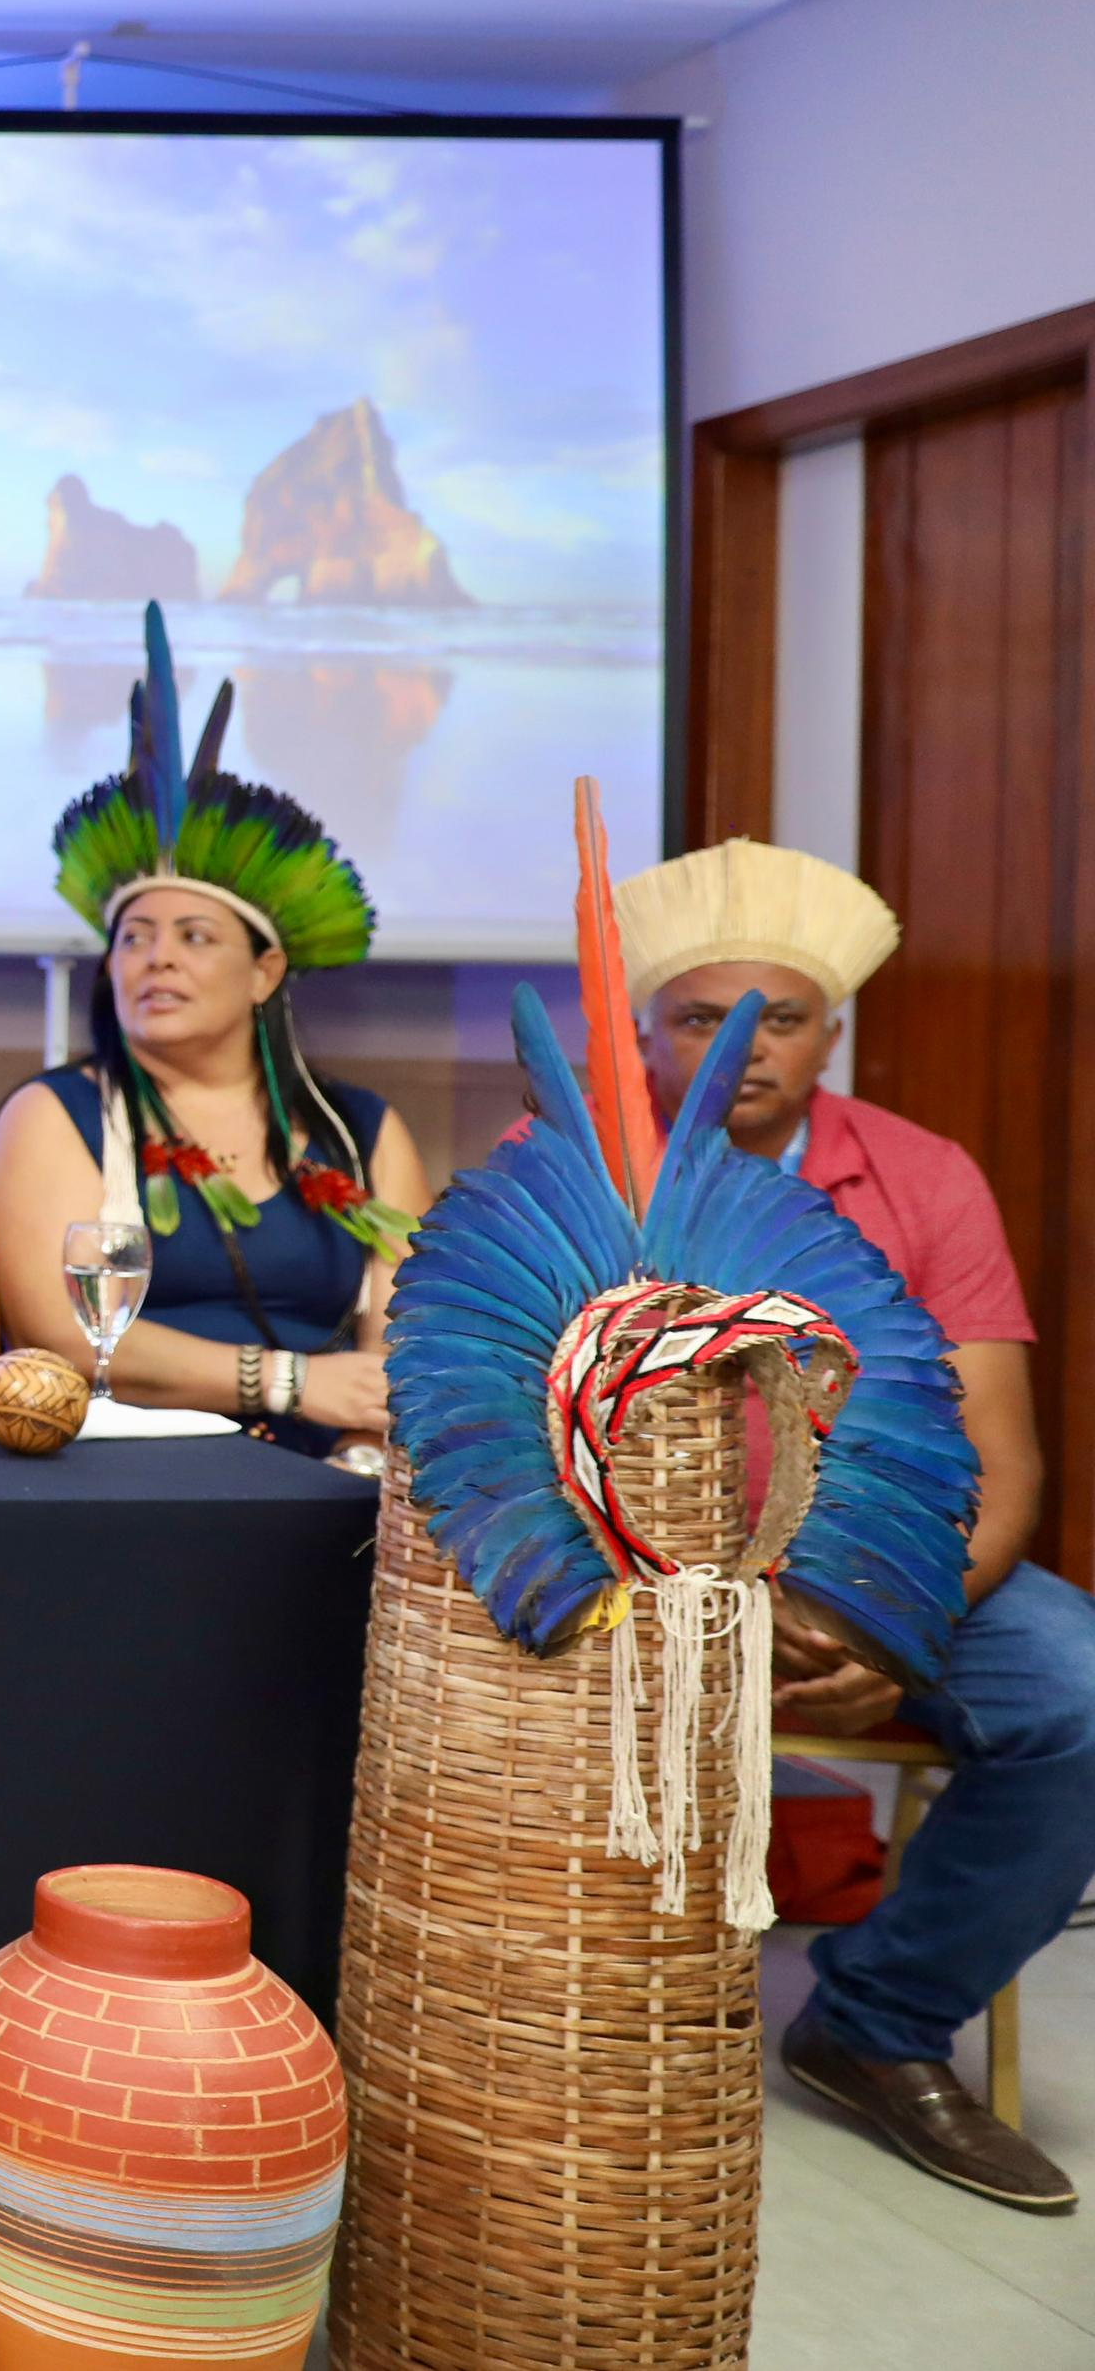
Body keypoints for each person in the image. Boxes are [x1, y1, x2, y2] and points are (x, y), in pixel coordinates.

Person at [607, 838, 1092, 2213]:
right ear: (644, 1024)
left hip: (897, 1568)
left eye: (783, 1017)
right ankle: (567, 2038)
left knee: (1081, 1694)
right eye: (703, 1015)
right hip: (634, 1571)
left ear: (832, 1032)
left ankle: (874, 2024)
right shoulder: (565, 1162)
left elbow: (1003, 1455)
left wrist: (891, 1618)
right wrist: (719, 1604)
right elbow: (518, 1448)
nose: (742, 1047)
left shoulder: (926, 1175)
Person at [0, 608, 432, 1454]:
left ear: (264, 974)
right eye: (135, 938)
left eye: (194, 938)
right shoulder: (56, 1117)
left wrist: (361, 1461)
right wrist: (293, 1381)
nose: (156, 961)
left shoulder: (360, 1133)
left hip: (331, 1485)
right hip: (126, 1477)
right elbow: (69, 1343)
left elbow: (400, 1350)